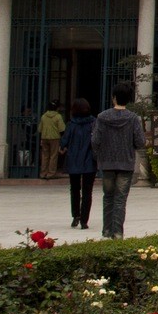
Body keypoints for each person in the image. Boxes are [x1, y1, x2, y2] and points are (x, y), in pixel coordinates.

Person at [93, 86, 146, 239]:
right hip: (126, 163)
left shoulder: (102, 117)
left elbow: (95, 140)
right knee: (120, 199)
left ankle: (106, 231)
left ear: (114, 97)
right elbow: (140, 141)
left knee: (108, 197)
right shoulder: (133, 118)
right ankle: (118, 232)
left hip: (107, 163)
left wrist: (100, 153)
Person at [61, 98, 98, 229]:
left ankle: (75, 215)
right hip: (89, 160)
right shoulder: (94, 123)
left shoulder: (71, 124)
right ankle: (84, 220)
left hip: (74, 160)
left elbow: (64, 141)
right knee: (88, 191)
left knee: (75, 189)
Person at [39, 104, 67, 179]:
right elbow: (62, 129)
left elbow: (40, 129)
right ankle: (50, 173)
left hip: (44, 137)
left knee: (44, 156)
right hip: (55, 138)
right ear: (57, 108)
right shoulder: (58, 116)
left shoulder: (43, 116)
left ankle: (43, 173)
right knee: (53, 156)